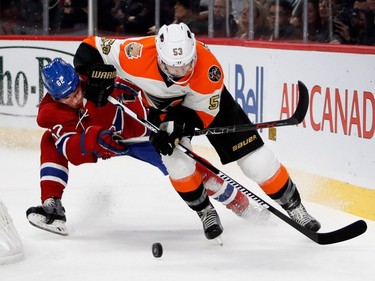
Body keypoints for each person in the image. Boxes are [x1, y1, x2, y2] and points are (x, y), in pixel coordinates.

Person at [73, 22, 321, 239]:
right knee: (177, 162)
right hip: (162, 111)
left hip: (209, 108)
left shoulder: (208, 71)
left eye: (186, 65)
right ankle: (205, 212)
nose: (181, 72)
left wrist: (178, 125)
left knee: (257, 162)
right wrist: (94, 74)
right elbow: (89, 48)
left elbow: (203, 115)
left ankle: (296, 208)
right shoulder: (135, 54)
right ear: (159, 57)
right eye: (173, 67)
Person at [26, 58, 268, 237]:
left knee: (191, 170)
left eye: (76, 90)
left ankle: (243, 207)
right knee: (50, 142)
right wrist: (95, 139)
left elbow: (138, 90)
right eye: (66, 97)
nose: (75, 99)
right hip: (101, 141)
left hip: (142, 135)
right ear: (53, 97)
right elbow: (72, 151)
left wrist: (166, 121)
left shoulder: (96, 79)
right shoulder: (51, 113)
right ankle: (52, 204)